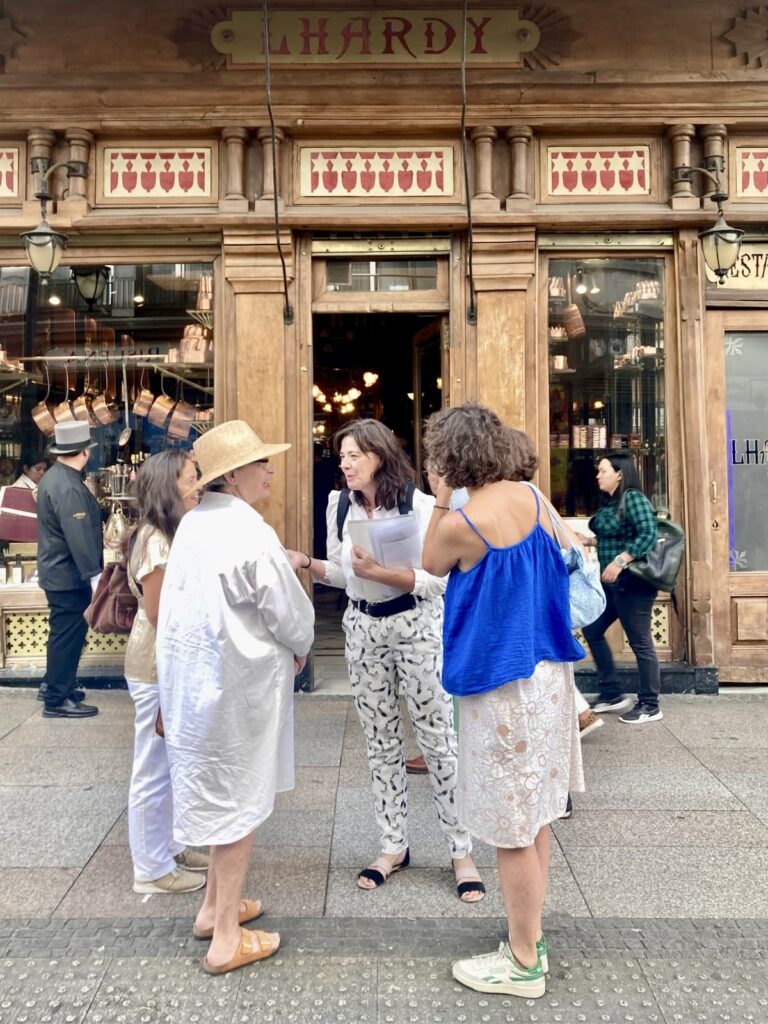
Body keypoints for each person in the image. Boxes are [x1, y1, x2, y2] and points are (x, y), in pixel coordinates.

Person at [421, 404, 585, 1000]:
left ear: (454, 458)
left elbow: (430, 562)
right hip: (547, 673)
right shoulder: (533, 497)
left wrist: (441, 496)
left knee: (511, 825)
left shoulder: (465, 521)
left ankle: (522, 964)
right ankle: (530, 935)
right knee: (537, 808)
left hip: (500, 680)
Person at [288, 419, 484, 903]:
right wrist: (310, 565)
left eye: (353, 455)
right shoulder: (339, 506)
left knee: (438, 739)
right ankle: (392, 845)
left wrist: (385, 573)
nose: (345, 464)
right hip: (363, 628)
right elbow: (343, 574)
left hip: (417, 627)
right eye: (341, 457)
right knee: (379, 741)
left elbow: (440, 580)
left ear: (379, 454)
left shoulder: (421, 506)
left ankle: (461, 850)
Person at [156, 420, 314, 975]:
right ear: (237, 475)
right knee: (238, 806)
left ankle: (212, 909)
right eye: (261, 463)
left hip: (195, 687)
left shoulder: (194, 526)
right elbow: (289, 613)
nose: (270, 471)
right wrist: (301, 646)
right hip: (237, 689)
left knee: (222, 797)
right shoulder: (250, 533)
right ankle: (225, 937)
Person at [125, 450, 210, 895]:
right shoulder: (156, 540)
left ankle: (172, 845)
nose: (198, 486)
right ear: (167, 486)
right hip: (156, 665)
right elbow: (161, 614)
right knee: (152, 768)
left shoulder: (169, 533)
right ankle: (151, 868)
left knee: (170, 763)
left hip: (168, 662)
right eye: (190, 478)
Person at [582, 452, 661, 724]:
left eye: (603, 470)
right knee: (592, 629)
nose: (598, 475)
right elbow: (617, 534)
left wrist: (621, 560)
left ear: (620, 473)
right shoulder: (612, 503)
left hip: (634, 583)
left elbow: (649, 534)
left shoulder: (634, 499)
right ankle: (611, 693)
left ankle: (650, 704)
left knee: (640, 642)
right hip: (615, 585)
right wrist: (590, 542)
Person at [36, 421, 102, 718]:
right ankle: (57, 699)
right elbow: (80, 538)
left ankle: (56, 685)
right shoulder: (68, 486)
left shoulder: (54, 477)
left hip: (58, 572)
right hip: (68, 575)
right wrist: (95, 576)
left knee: (62, 633)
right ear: (85, 452)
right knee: (67, 635)